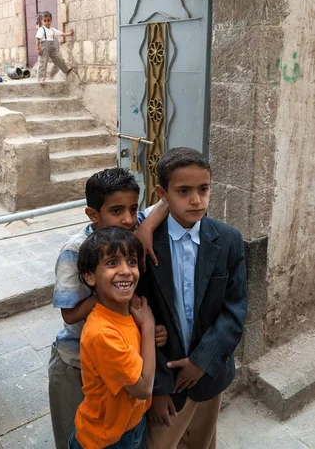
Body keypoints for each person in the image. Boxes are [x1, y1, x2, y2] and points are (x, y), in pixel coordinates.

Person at [49, 168, 168, 449]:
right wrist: (117, 296)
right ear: (93, 215)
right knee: (80, 431)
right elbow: (69, 314)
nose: (128, 219)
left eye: (133, 209)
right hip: (76, 362)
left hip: (121, 360)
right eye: (116, 210)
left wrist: (147, 226)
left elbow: (164, 200)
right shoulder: (75, 251)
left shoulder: (130, 225)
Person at [139, 147, 248, 449]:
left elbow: (235, 309)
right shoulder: (146, 246)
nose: (197, 200)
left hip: (209, 376)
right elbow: (141, 317)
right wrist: (158, 387)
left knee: (202, 441)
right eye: (183, 191)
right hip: (165, 383)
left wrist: (202, 361)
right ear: (163, 193)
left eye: (203, 189)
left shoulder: (227, 240)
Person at [69, 227, 155, 448]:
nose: (126, 270)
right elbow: (144, 387)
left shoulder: (126, 314)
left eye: (132, 261)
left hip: (131, 425)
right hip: (106, 440)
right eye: (112, 263)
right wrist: (148, 326)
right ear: (90, 276)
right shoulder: (103, 334)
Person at [35, 10, 74, 84]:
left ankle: (65, 69)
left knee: (58, 58)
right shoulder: (41, 29)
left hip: (52, 46)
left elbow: (61, 34)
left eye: (48, 20)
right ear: (42, 21)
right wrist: (38, 49)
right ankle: (41, 78)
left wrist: (69, 34)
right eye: (45, 21)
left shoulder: (53, 30)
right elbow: (37, 39)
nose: (47, 22)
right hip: (44, 46)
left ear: (51, 20)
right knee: (43, 62)